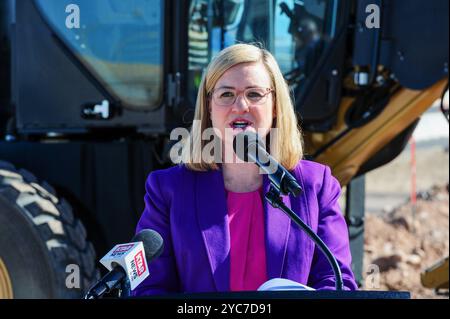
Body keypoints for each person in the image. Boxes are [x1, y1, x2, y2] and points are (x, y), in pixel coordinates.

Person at [132, 43, 358, 295]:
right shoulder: (167, 189)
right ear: (209, 106)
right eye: (226, 94)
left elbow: (337, 283)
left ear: (275, 106)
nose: (240, 105)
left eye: (254, 94)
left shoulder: (316, 185)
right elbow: (149, 288)